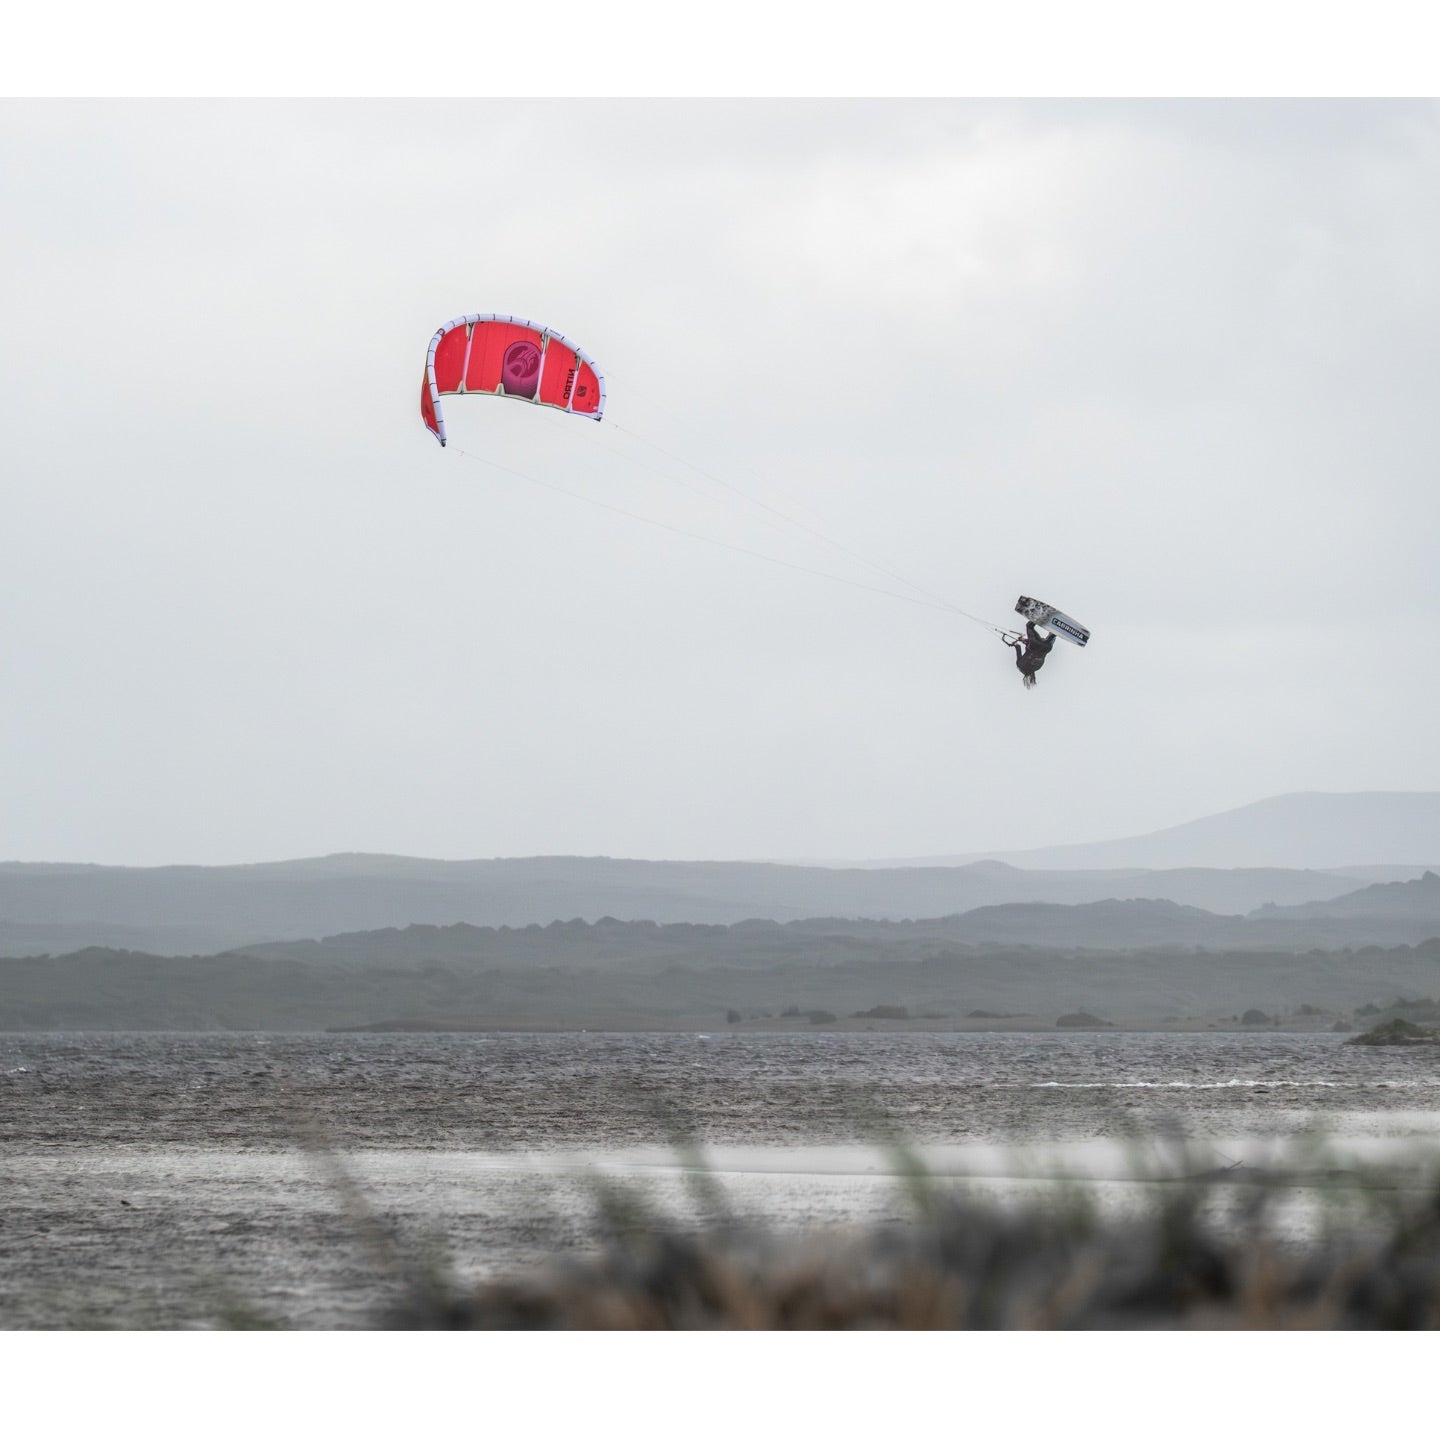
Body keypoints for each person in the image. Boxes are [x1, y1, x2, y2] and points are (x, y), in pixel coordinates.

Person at [1006, 620, 1056, 689]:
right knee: (1029, 626)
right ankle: (1038, 618)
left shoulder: (1037, 668)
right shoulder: (1020, 665)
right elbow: (1018, 647)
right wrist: (1015, 644)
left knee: (1050, 639)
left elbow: (1036, 654)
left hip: (1046, 648)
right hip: (1034, 645)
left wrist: (1025, 641)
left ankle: (1054, 634)